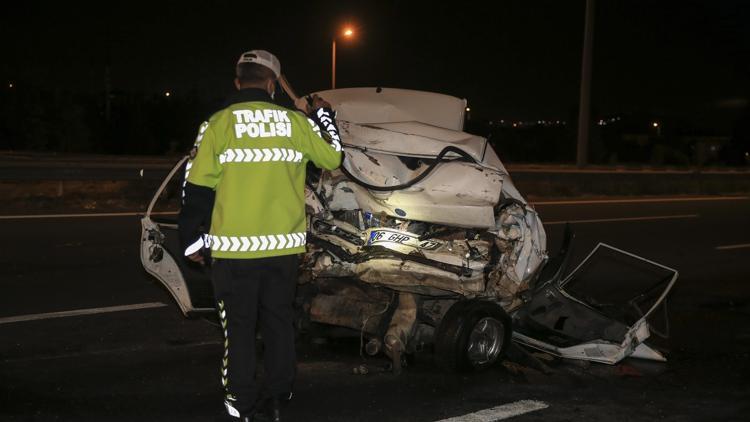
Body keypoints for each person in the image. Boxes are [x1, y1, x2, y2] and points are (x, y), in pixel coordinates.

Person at [178, 49, 343, 422]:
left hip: (233, 254)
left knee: (238, 329)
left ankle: (240, 402)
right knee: (278, 322)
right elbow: (333, 158)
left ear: (238, 82)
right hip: (283, 251)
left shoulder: (218, 124)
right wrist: (323, 116)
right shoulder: (294, 123)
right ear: (272, 85)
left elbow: (196, 187)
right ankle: (279, 393)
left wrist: (191, 239)